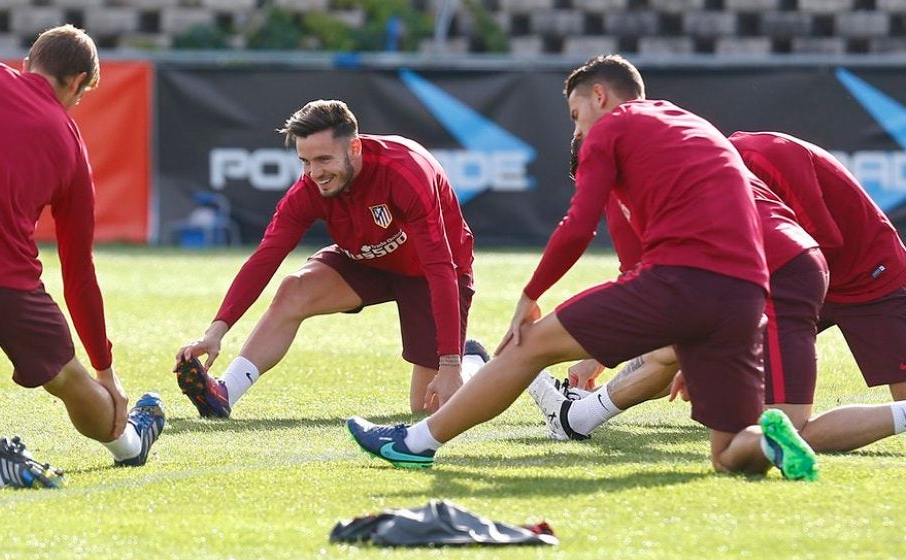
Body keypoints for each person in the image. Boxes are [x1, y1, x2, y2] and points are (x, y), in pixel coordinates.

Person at [347, 55, 818, 480]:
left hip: (681, 279)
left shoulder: (612, 127)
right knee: (729, 451)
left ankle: (415, 443)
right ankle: (769, 441)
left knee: (526, 343)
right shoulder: (690, 123)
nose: (577, 131)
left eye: (576, 115)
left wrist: (530, 295)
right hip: (746, 295)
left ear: (600, 96)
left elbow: (577, 226)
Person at [0, 25, 165, 489]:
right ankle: (129, 442)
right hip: (14, 291)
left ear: (30, 61)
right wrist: (106, 370)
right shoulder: (71, 146)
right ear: (77, 81)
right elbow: (79, 271)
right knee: (71, 381)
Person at [526, 149, 906, 452]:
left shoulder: (751, 158)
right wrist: (602, 354)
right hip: (795, 278)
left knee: (787, 433)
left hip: (863, 276)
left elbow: (818, 246)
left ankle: (578, 416)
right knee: (676, 348)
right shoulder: (672, 184)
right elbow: (651, 291)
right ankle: (578, 415)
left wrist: (718, 348)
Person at [175, 99, 476, 417]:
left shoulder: (406, 172)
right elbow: (266, 257)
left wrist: (451, 362)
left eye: (323, 159)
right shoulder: (309, 189)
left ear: (355, 148)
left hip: (430, 273)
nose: (314, 173)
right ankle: (224, 393)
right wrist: (216, 331)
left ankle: (472, 361)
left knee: (427, 407)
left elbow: (440, 267)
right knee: (295, 288)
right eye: (305, 161)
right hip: (367, 261)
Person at [729, 131, 906, 400]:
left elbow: (825, 239)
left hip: (869, 277)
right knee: (680, 346)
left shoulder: (765, 153)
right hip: (800, 277)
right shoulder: (715, 175)